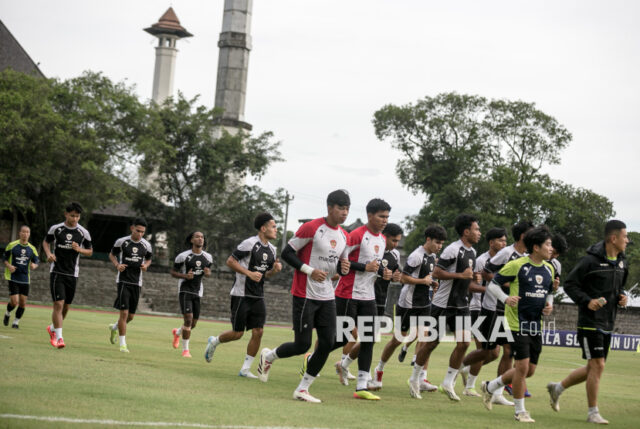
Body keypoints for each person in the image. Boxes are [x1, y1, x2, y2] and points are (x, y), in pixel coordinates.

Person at [257, 189, 350, 403]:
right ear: (330, 208)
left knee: (327, 343)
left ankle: (303, 388)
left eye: (347, 209)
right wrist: (309, 271)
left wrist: (344, 268)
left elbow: (341, 267)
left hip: (327, 296)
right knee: (303, 345)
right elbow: (287, 253)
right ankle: (269, 356)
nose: (344, 213)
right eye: (341, 208)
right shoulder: (311, 228)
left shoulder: (344, 235)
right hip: (304, 294)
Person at [546, 220, 629, 424]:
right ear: (613, 238)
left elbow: (619, 288)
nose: (627, 241)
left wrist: (623, 297)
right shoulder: (589, 262)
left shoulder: (622, 262)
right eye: (625, 237)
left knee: (594, 367)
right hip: (589, 322)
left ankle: (557, 388)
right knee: (597, 365)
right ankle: (593, 412)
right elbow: (570, 285)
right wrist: (587, 301)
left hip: (609, 321)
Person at [480, 226, 555, 423]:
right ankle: (520, 411)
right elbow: (493, 285)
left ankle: (490, 387)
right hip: (516, 323)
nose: (551, 248)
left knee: (528, 370)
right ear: (536, 247)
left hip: (535, 325)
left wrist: (549, 305)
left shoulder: (550, 268)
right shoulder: (517, 265)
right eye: (548, 244)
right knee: (521, 367)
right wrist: (505, 299)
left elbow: (549, 292)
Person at [408, 214, 481, 401]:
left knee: (464, 343)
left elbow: (466, 275)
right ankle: (415, 378)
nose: (479, 233)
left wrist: (473, 278)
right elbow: (437, 272)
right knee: (431, 343)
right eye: (476, 229)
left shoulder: (472, 251)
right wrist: (460, 276)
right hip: (442, 305)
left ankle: (448, 382)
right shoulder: (452, 250)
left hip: (462, 304)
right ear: (466, 232)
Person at [204, 213, 282, 378]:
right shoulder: (249, 243)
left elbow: (265, 275)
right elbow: (230, 261)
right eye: (273, 226)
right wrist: (249, 273)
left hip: (258, 295)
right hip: (241, 294)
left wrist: (273, 271)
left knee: (258, 331)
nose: (276, 230)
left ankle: (245, 369)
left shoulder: (273, 250)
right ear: (263, 228)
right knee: (237, 333)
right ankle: (214, 341)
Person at [371, 225, 446, 393]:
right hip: (408, 304)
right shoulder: (416, 256)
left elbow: (425, 277)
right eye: (437, 242)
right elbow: (403, 279)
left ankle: (421, 378)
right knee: (397, 340)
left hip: (424, 303)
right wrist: (423, 282)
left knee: (426, 339)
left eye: (442, 243)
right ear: (428, 239)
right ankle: (379, 370)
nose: (439, 246)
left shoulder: (433, 256)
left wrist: (432, 283)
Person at [332, 198, 391, 400]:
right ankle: (313, 357)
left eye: (387, 217)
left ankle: (362, 386)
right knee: (340, 338)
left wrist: (383, 272)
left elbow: (374, 265)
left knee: (368, 339)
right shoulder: (357, 235)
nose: (385, 220)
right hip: (347, 294)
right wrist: (363, 267)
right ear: (370, 215)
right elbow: (341, 260)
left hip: (368, 296)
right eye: (381, 216)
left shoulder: (382, 239)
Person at [482, 220, 534, 398]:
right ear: (523, 236)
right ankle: (464, 370)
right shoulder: (507, 253)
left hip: (515, 311)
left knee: (509, 351)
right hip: (499, 307)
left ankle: (499, 390)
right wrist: (504, 285)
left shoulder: (527, 256)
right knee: (491, 352)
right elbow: (486, 271)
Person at [457, 227, 510, 402]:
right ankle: (469, 385)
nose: (504, 244)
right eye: (500, 240)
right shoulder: (481, 261)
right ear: (491, 242)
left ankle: (465, 368)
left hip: (498, 310)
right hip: (479, 309)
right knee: (484, 350)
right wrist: (492, 288)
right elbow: (470, 286)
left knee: (495, 353)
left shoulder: (508, 259)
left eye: (505, 240)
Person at [43, 202, 93, 349]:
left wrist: (80, 249)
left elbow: (90, 251)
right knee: (58, 304)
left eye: (77, 216)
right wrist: (48, 254)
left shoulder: (83, 232)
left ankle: (52, 328)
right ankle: (59, 338)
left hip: (72, 273)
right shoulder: (56, 229)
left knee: (66, 307)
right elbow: (46, 242)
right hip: (57, 271)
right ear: (66, 214)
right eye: (72, 216)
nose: (75, 219)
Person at [107, 218, 153, 353]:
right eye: (138, 231)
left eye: (142, 232)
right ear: (132, 228)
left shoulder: (146, 245)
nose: (140, 234)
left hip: (136, 283)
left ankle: (115, 328)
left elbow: (149, 259)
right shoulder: (122, 242)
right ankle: (123, 344)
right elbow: (111, 255)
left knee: (131, 316)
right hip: (123, 281)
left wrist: (146, 265)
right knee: (124, 313)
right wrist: (117, 265)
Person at [170, 231, 213, 357]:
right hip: (185, 290)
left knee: (192, 324)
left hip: (198, 291)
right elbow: (173, 272)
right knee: (188, 320)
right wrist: (185, 276)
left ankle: (177, 332)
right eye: (197, 237)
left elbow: (207, 272)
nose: (200, 239)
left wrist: (208, 273)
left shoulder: (208, 257)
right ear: (191, 240)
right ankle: (186, 350)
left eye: (202, 237)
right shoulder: (183, 256)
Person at [3, 225, 39, 328]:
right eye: (23, 232)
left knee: (22, 303)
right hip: (13, 277)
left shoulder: (32, 248)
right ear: (20, 233)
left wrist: (34, 265)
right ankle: (8, 313)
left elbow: (36, 261)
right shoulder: (12, 245)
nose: (25, 234)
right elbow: (4, 258)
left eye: (27, 232)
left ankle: (16, 322)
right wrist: (9, 266)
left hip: (25, 279)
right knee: (14, 302)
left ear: (29, 234)